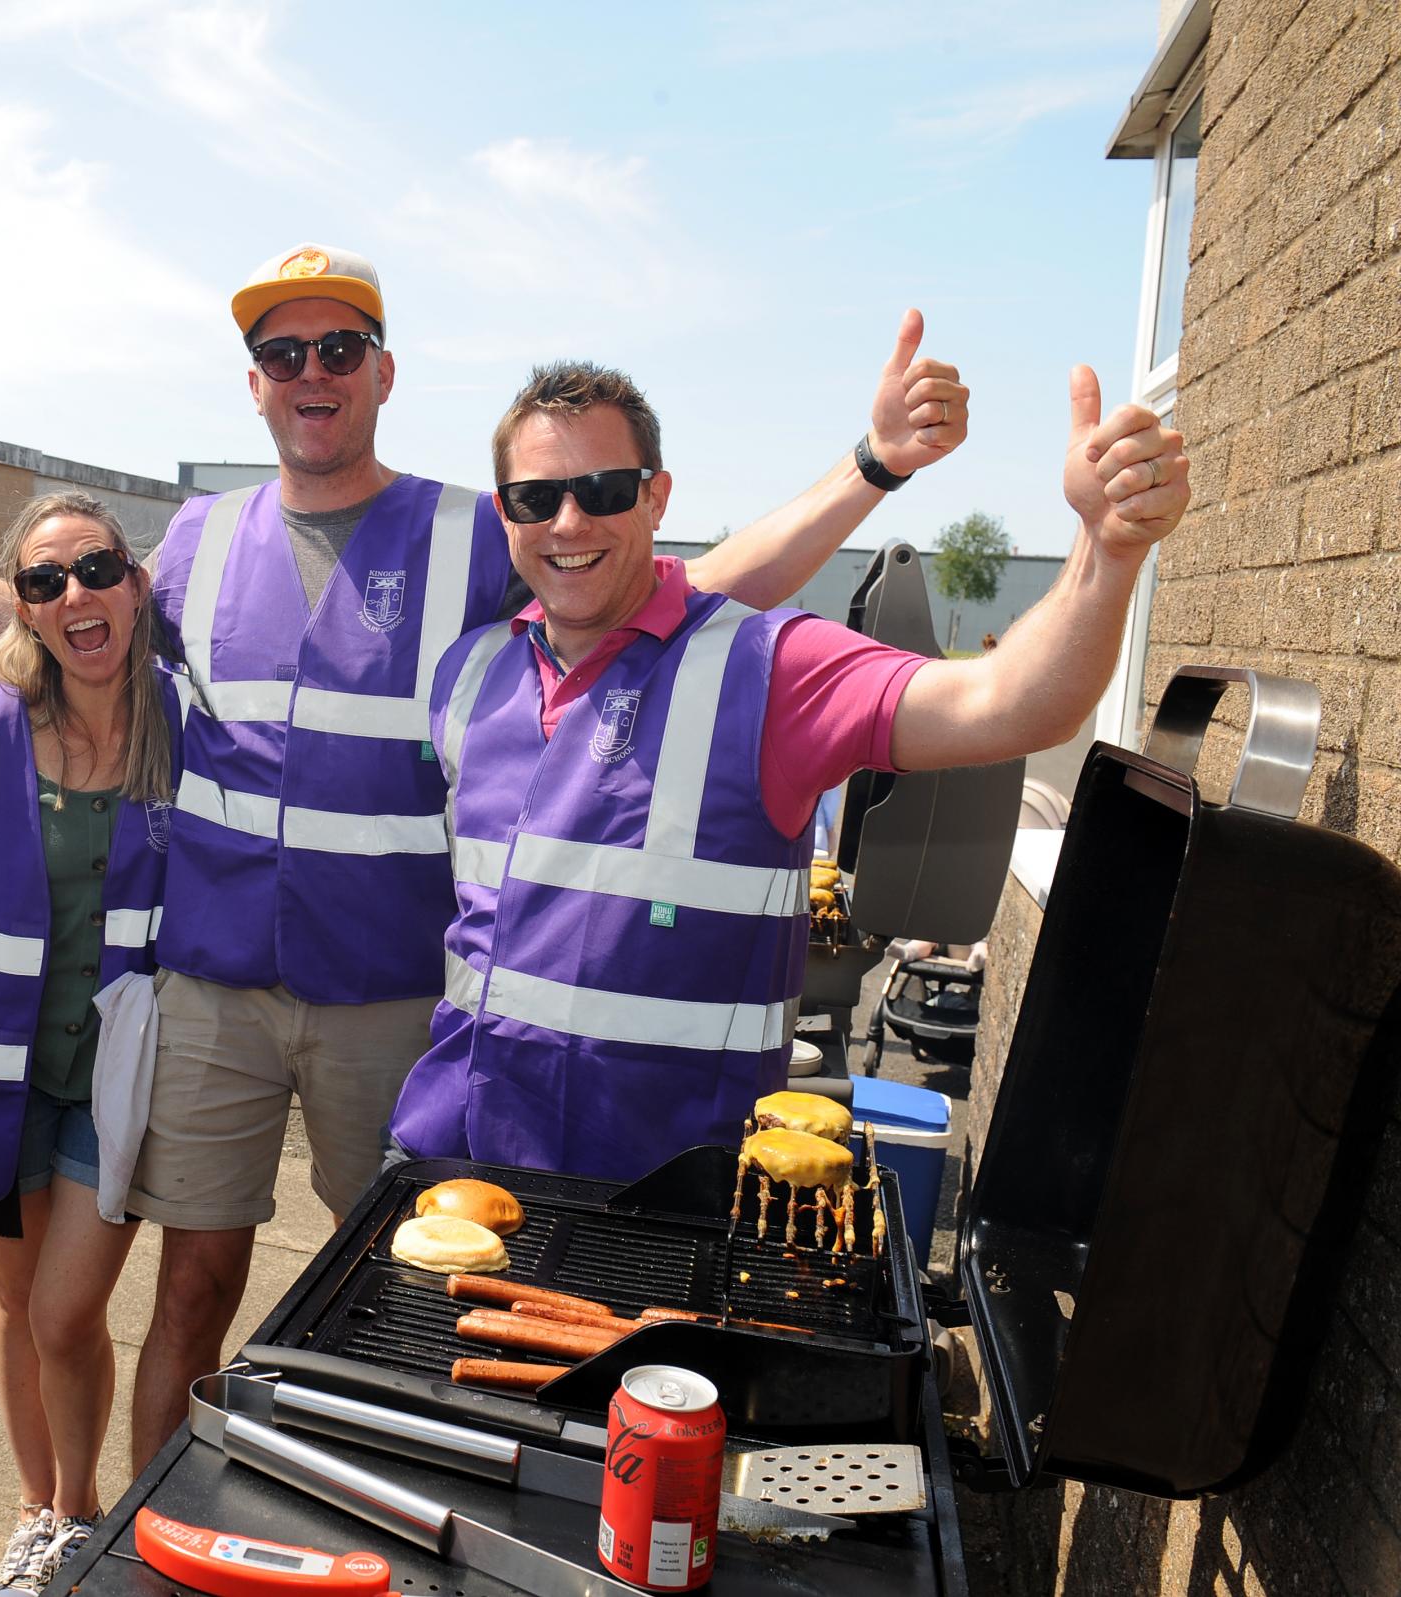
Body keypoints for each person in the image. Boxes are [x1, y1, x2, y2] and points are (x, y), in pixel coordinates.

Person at [120, 243, 975, 1466]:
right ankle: (138, 1524)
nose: (312, 372)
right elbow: (82, 649)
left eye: (340, 348)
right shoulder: (197, 540)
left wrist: (871, 468)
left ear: (383, 371)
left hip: (392, 996)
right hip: (219, 989)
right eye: (282, 352)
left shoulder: (480, 528)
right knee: (190, 1290)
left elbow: (681, 589)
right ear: (252, 381)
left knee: (411, 1278)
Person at [388, 359, 1187, 1175]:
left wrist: (1107, 552)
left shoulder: (767, 669)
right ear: (504, 513)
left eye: (603, 490)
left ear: (656, 496)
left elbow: (1011, 703)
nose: (568, 522)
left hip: (663, 1194)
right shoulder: (471, 675)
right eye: (536, 497)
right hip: (453, 1158)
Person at [0, 493, 185, 1595]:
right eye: (43, 581)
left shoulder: (189, 721)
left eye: (97, 568)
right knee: (12, 1298)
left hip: (119, 1073)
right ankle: (38, 1508)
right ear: (22, 609)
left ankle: (80, 1508)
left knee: (63, 1308)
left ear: (137, 584)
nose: (74, 593)